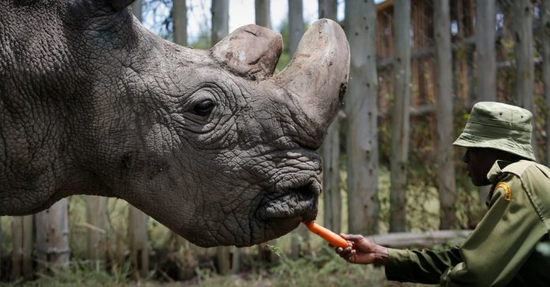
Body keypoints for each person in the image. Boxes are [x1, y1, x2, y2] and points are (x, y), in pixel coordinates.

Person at [336, 101, 550, 286]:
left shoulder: (519, 180)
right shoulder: (531, 178)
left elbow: (476, 275)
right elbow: (467, 257)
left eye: (473, 149)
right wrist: (380, 253)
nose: (465, 159)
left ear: (502, 151)